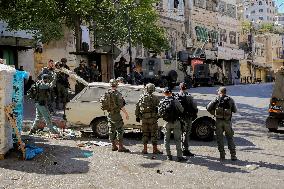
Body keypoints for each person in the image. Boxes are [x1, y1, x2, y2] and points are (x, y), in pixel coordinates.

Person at [206, 87, 237, 161]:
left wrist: (214, 113)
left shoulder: (216, 99)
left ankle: (222, 156)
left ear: (220, 92)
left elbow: (208, 108)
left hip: (218, 121)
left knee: (220, 139)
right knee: (230, 138)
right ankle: (233, 156)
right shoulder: (230, 99)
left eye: (218, 91)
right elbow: (235, 110)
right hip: (227, 122)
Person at [100, 79, 130, 152]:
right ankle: (120, 147)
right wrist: (126, 114)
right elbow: (121, 106)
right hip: (116, 114)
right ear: (116, 85)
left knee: (111, 129)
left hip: (109, 114)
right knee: (120, 129)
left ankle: (113, 146)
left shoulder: (106, 93)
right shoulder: (117, 94)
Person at [158, 87, 187, 162]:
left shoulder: (162, 101)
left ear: (164, 93)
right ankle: (179, 157)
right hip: (176, 122)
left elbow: (159, 113)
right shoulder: (175, 100)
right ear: (170, 92)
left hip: (166, 122)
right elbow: (182, 110)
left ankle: (168, 156)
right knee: (177, 140)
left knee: (166, 140)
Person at [135, 83, 162, 154]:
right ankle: (155, 149)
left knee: (145, 134)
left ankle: (145, 149)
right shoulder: (155, 98)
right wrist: (157, 116)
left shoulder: (141, 97)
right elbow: (160, 109)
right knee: (154, 134)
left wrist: (137, 116)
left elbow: (137, 107)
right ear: (153, 89)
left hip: (144, 119)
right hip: (153, 119)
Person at [175, 82, 198, 157]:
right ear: (186, 88)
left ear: (180, 87)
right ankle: (186, 150)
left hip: (179, 118)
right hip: (188, 117)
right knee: (186, 134)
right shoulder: (189, 96)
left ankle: (179, 150)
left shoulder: (176, 96)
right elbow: (194, 106)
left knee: (179, 133)